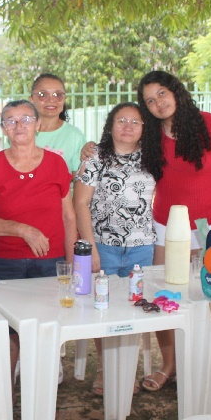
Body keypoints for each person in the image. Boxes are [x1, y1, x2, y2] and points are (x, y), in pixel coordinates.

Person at [138, 70, 211, 392]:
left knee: (208, 295)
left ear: (176, 92)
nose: (158, 103)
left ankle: (204, 365)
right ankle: (170, 365)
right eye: (149, 101)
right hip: (165, 225)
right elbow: (116, 144)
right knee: (162, 294)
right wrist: (89, 148)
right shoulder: (148, 134)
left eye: (161, 94)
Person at [0, 99, 77, 387]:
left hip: (50, 261)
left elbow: (69, 216)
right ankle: (5, 389)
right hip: (5, 262)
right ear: (3, 128)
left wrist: (71, 264)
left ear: (38, 125)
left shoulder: (56, 163)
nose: (19, 126)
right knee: (8, 331)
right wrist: (22, 230)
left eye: (26, 119)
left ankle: (44, 382)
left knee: (47, 324)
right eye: (11, 120)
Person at [73, 102, 159, 396]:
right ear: (110, 125)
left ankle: (128, 369)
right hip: (104, 247)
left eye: (135, 122)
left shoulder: (153, 156)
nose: (128, 126)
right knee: (104, 309)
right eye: (121, 120)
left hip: (141, 247)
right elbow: (80, 202)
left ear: (144, 128)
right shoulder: (95, 156)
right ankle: (105, 368)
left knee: (135, 308)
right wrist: (91, 249)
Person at [20, 73, 88, 175]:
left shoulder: (74, 136)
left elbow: (79, 180)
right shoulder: (19, 132)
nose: (51, 100)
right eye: (43, 95)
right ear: (31, 99)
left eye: (58, 95)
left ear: (64, 99)